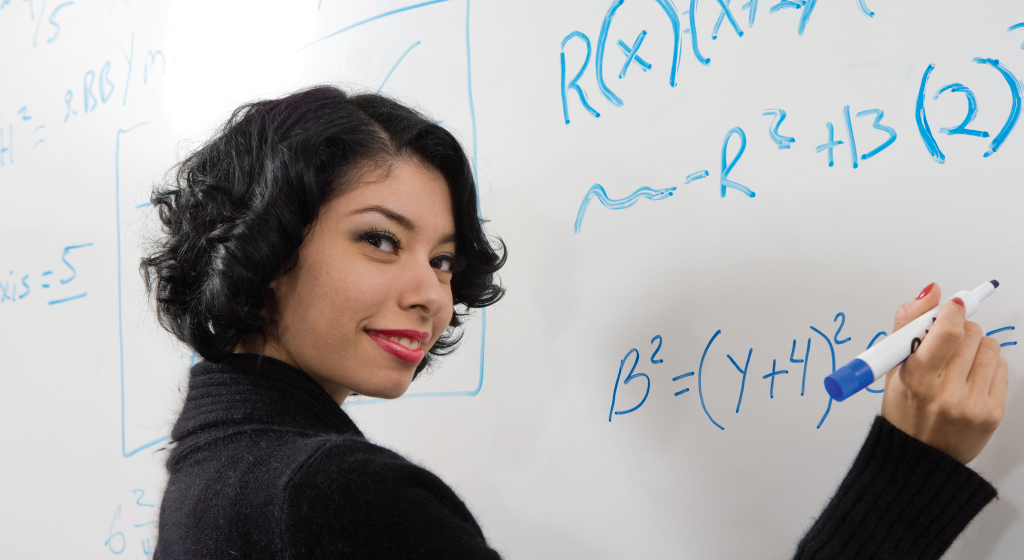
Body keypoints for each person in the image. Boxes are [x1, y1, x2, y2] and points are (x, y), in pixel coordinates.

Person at [144, 86, 1007, 559]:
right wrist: (910, 468)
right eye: (381, 240)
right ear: (259, 246)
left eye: (444, 261)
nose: (431, 294)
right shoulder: (336, 497)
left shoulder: (213, 475)